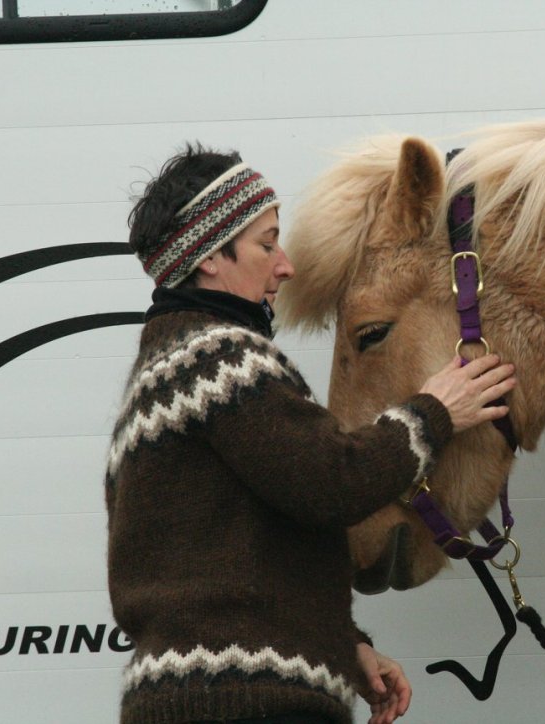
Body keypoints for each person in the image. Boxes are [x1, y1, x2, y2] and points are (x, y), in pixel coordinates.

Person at [105, 143, 515, 724]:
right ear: (210, 258)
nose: (286, 266)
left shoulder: (160, 376)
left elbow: (244, 552)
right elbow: (333, 480)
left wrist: (341, 644)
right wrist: (436, 410)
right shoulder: (219, 361)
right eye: (266, 244)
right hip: (245, 705)